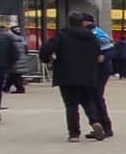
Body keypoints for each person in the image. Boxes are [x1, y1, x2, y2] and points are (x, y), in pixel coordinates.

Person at [44, 11, 105, 141]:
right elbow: (99, 55)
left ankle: (74, 134)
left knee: (71, 105)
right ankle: (95, 122)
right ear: (82, 22)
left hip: (67, 75)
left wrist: (48, 59)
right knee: (88, 101)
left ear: (69, 22)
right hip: (88, 75)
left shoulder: (62, 35)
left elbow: (46, 49)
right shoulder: (92, 37)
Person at [82, 14, 116, 140]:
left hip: (101, 70)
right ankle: (98, 126)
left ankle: (106, 127)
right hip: (94, 69)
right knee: (92, 97)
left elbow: (111, 50)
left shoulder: (97, 33)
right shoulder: (88, 32)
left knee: (96, 97)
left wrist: (103, 57)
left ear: (87, 22)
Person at [5, 22, 30, 93]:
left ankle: (20, 88)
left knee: (15, 74)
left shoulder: (10, 39)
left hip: (15, 58)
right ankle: (6, 87)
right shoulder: (22, 38)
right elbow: (26, 50)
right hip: (21, 58)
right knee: (13, 74)